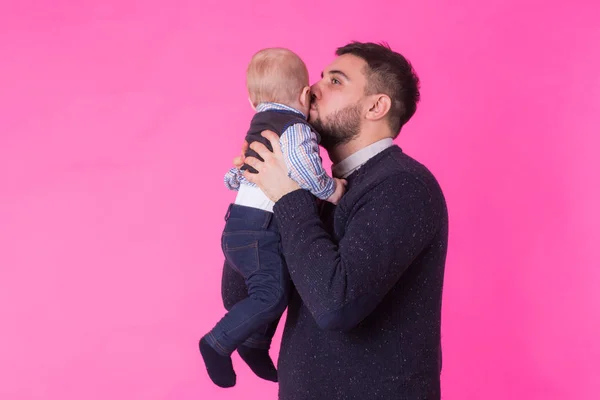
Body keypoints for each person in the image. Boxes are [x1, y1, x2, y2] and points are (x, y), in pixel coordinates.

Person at [226, 41, 449, 399]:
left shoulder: (403, 185)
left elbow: (337, 306)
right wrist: (256, 194)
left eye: (335, 81)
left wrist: (287, 196)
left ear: (376, 106)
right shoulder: (314, 191)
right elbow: (239, 297)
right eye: (321, 78)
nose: (313, 89)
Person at [199, 48, 346, 388]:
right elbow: (308, 170)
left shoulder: (259, 126)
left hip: (238, 226)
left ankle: (254, 344)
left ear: (253, 101)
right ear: (304, 95)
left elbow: (236, 175)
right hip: (262, 230)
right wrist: (331, 189)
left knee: (279, 283)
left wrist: (233, 177)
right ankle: (217, 343)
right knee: (270, 295)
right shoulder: (295, 130)